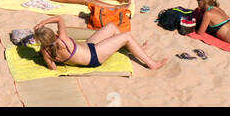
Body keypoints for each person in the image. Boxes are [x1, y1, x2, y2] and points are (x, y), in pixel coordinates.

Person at [35, 15, 167, 72]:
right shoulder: (62, 40)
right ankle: (151, 64)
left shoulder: (45, 52)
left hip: (89, 46)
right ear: (52, 34)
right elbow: (59, 19)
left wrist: (47, 57)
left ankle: (136, 49)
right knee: (126, 36)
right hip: (94, 56)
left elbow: (53, 68)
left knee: (111, 27)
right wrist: (43, 23)